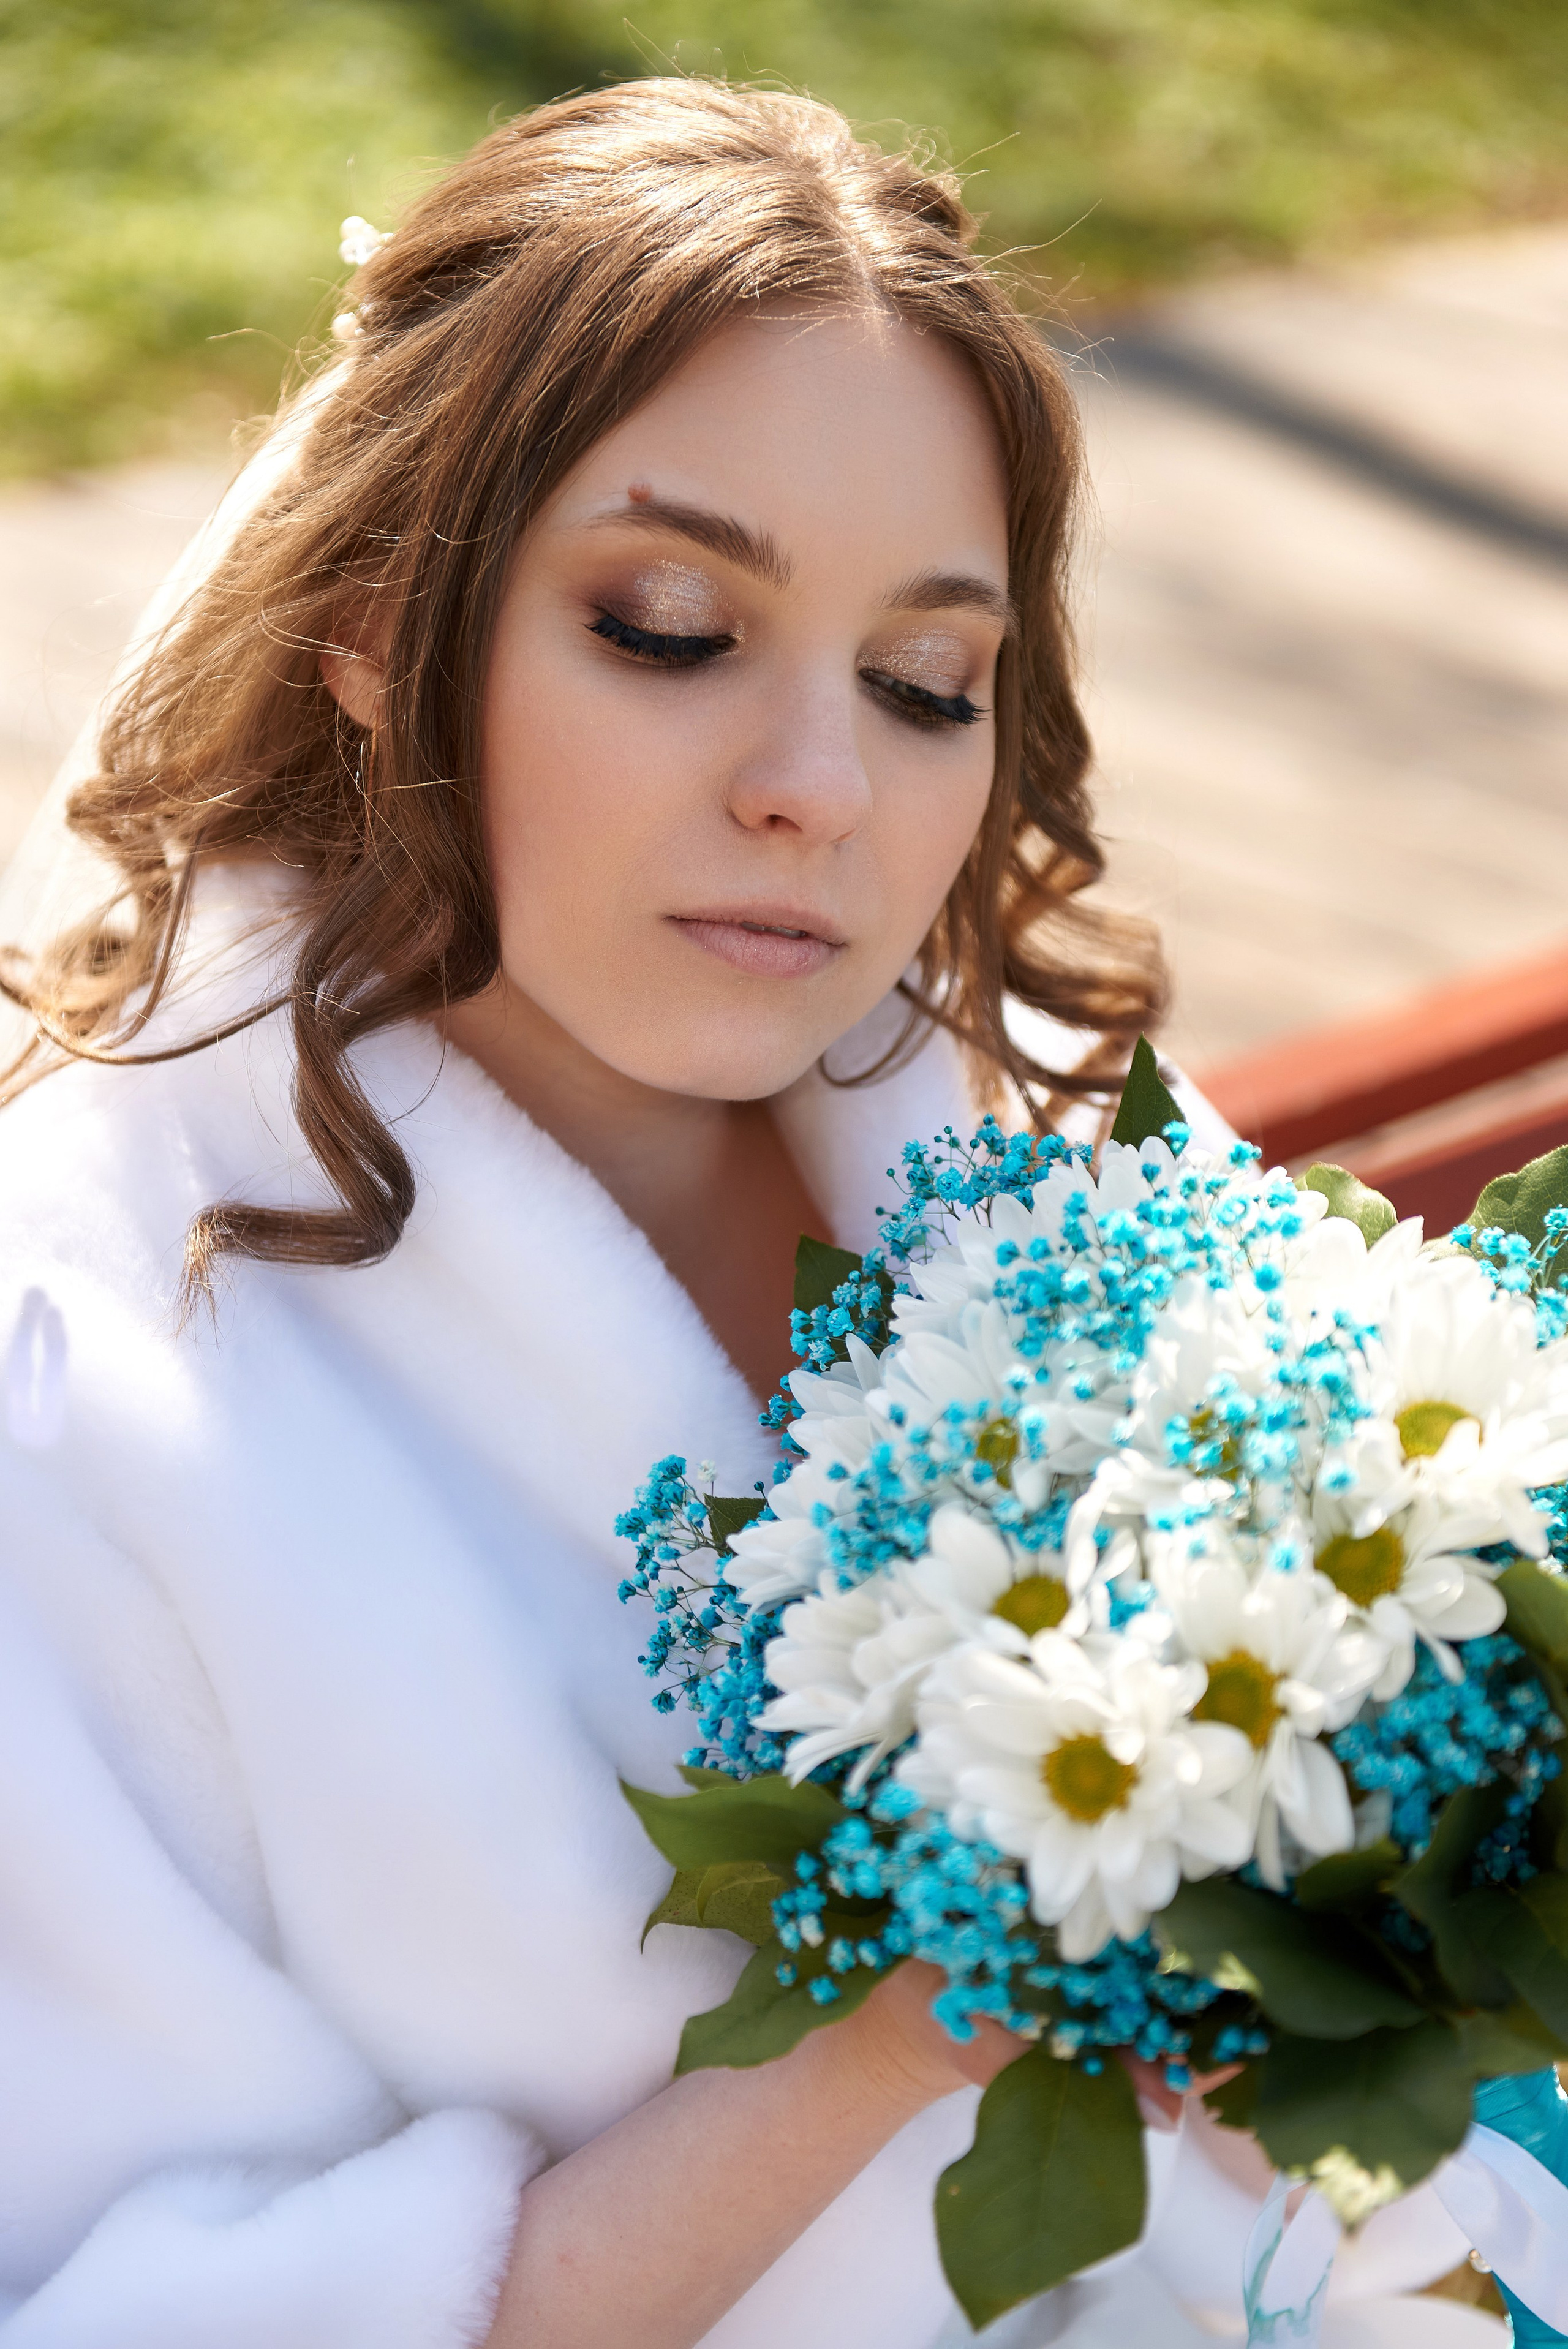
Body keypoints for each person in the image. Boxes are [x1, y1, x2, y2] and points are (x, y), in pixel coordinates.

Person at [0, 77, 1486, 2349]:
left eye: (924, 682)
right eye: (672, 624)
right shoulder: (82, 1394)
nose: (818, 787)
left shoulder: (1034, 1188)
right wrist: (928, 1997)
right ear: (385, 628)